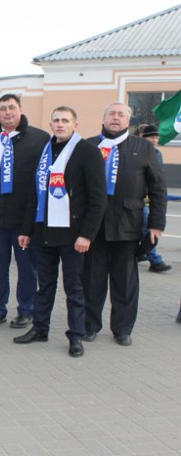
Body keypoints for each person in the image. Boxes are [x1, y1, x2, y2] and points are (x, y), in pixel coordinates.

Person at [14, 106, 107, 358]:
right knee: (44, 286)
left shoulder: (88, 152)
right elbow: (34, 194)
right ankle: (40, 328)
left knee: (74, 289)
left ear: (75, 125)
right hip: (44, 232)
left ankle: (76, 336)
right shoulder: (44, 151)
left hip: (73, 234)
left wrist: (87, 234)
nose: (60, 124)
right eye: (56, 120)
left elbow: (98, 199)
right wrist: (26, 230)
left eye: (65, 120)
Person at [82, 102, 167, 346]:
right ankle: (90, 325)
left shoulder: (142, 148)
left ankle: (122, 328)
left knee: (125, 281)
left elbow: (158, 188)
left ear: (128, 120)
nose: (116, 118)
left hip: (128, 225)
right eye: (111, 114)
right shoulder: (89, 146)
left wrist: (156, 224)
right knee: (92, 279)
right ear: (104, 118)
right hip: (93, 228)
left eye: (121, 114)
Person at [0, 94, 50, 329]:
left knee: (27, 268)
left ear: (20, 110)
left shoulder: (39, 139)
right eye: (2, 109)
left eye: (11, 108)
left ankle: (26, 310)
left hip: (24, 220)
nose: (7, 112)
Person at [136, 124, 171, 273]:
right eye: (151, 137)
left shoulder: (157, 154)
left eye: (156, 137)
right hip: (138, 198)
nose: (154, 140)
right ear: (142, 138)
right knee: (145, 228)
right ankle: (155, 260)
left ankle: (142, 254)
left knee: (146, 227)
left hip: (150, 198)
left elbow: (157, 179)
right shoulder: (136, 152)